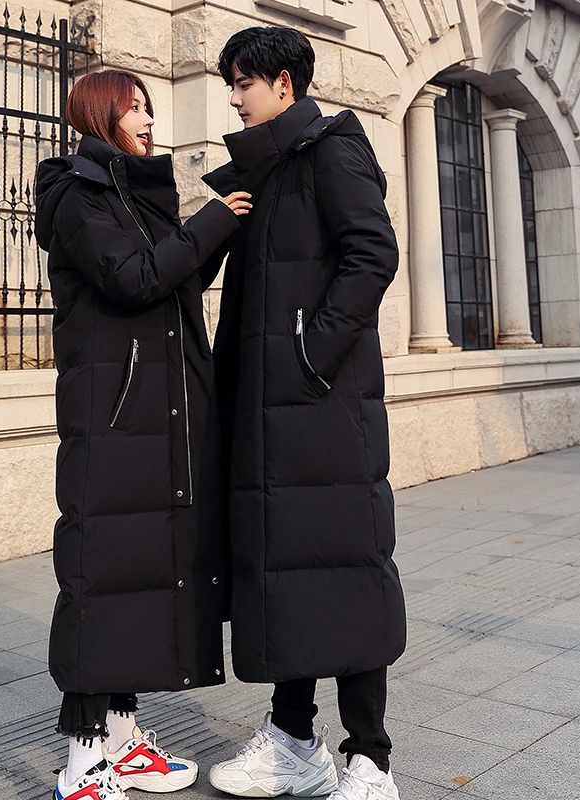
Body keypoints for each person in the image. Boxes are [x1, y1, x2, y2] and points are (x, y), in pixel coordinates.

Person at [34, 69, 252, 800]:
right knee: (101, 580)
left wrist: (216, 230)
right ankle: (82, 765)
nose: (150, 121)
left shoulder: (128, 194)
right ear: (102, 117)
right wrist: (210, 223)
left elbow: (174, 277)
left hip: (156, 415)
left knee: (140, 576)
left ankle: (122, 739)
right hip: (113, 417)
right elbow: (133, 279)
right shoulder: (77, 195)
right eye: (136, 110)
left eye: (150, 109)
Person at [203, 27, 407, 800]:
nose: (233, 97)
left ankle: (371, 760)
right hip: (271, 415)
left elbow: (373, 253)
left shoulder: (331, 152)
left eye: (243, 83)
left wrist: (311, 356)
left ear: (283, 84)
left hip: (324, 408)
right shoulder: (266, 168)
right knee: (288, 573)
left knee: (345, 569)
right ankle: (293, 739)